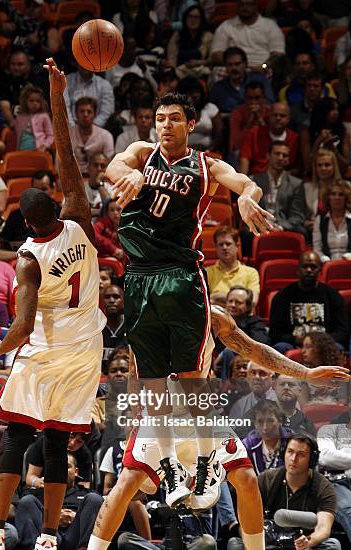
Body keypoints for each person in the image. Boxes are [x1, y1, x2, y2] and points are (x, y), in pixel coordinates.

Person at [71, 307, 349, 550]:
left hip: (201, 411)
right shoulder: (149, 312)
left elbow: (253, 349)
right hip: (159, 412)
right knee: (127, 481)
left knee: (245, 477)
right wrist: (130, 424)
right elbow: (134, 372)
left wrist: (303, 372)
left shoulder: (212, 315)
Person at [0, 57, 106, 550]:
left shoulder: (26, 259)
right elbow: (67, 153)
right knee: (54, 444)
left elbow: (21, 326)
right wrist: (57, 94)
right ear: (59, 209)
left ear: (25, 223)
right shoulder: (81, 223)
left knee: (18, 434)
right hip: (86, 349)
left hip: (45, 351)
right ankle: (47, 546)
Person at [104, 89, 275, 512]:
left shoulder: (206, 165)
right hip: (140, 277)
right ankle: (172, 470)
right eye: (160, 117)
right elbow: (113, 165)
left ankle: (205, 462)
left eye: (175, 118)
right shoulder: (142, 153)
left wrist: (248, 194)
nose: (165, 124)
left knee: (193, 380)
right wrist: (130, 175)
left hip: (181, 277)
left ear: (190, 123)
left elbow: (243, 180)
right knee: (154, 389)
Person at [228, 434, 342, 550]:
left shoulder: (323, 486)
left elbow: (324, 528)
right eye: (290, 452)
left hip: (300, 547)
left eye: (301, 455)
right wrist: (249, 544)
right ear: (284, 453)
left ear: (311, 459)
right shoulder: (268, 479)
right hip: (269, 545)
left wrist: (310, 542)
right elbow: (247, 518)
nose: (293, 459)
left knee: (333, 546)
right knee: (235, 545)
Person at [15, 453, 104, 550]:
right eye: (58, 466)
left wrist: (76, 516)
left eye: (67, 466)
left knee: (95, 499)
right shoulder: (36, 494)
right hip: (46, 541)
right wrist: (53, 518)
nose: (61, 470)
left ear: (76, 471)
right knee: (26, 502)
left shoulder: (87, 494)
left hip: (75, 541)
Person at [269, 250, 348, 352]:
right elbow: (275, 333)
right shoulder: (282, 296)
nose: (309, 270)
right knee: (280, 347)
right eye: (305, 266)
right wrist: (297, 339)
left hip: (323, 344)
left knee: (338, 349)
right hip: (292, 343)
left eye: (313, 267)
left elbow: (342, 332)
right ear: (298, 270)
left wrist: (320, 341)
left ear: (320, 271)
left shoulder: (333, 296)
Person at [318, 386, 351, 550]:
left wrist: (343, 457)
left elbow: (336, 457)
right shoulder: (329, 430)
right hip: (338, 485)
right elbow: (326, 457)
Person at [250, 141, 306, 237]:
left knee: (302, 232)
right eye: (277, 154)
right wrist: (262, 226)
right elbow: (250, 210)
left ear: (288, 159)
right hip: (260, 224)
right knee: (245, 234)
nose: (280, 158)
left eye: (284, 155)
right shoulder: (254, 180)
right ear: (268, 156)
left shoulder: (296, 184)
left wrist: (281, 227)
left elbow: (297, 215)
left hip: (284, 225)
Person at [210, 0, 285, 71]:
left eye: (248, 4)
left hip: (262, 68)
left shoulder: (270, 26)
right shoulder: (225, 26)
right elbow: (216, 54)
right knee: (217, 71)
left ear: (255, 5)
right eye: (241, 4)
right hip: (232, 69)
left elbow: (278, 55)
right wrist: (234, 66)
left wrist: (263, 66)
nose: (245, 7)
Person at [0, 170, 59, 252]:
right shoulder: (16, 215)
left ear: (53, 188)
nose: (40, 194)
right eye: (36, 190)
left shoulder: (62, 215)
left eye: (44, 189)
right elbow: (3, 244)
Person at [209, 46, 275, 114]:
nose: (234, 68)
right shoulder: (218, 88)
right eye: (230, 65)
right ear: (225, 66)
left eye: (237, 64)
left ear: (245, 65)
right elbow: (211, 110)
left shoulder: (260, 80)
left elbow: (271, 104)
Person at [205, 226, 260, 306]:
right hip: (215, 317)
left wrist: (216, 296)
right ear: (216, 248)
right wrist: (239, 300)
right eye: (220, 244)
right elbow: (204, 302)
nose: (224, 247)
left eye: (228, 244)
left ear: (237, 246)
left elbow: (253, 301)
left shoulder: (251, 272)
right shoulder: (206, 272)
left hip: (243, 318)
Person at [239, 102, 298, 174]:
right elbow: (244, 159)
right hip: (256, 178)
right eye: (274, 115)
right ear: (268, 116)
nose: (278, 118)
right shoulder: (254, 133)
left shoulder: (295, 138)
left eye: (282, 116)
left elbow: (296, 167)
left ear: (288, 119)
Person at [242, 399, 293, 475]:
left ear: (280, 421)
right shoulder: (247, 445)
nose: (265, 427)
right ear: (255, 423)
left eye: (270, 421)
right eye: (260, 421)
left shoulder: (293, 442)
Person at [312, 180, 351, 262]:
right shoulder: (320, 220)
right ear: (328, 197)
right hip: (327, 264)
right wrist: (325, 260)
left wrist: (349, 257)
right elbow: (317, 248)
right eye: (333, 194)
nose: (337, 198)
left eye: (341, 195)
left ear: (346, 198)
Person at [166, 4, 213, 80]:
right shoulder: (177, 35)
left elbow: (212, 60)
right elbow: (171, 57)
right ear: (185, 19)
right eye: (190, 16)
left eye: (196, 17)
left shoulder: (208, 36)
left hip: (198, 71)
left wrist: (198, 63)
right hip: (179, 71)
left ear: (201, 20)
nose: (193, 20)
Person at [68, 97, 114, 175]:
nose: (85, 115)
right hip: (73, 177)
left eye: (89, 112)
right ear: (75, 114)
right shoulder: (67, 135)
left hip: (98, 176)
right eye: (82, 111)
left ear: (95, 114)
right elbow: (61, 162)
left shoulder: (106, 136)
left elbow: (109, 164)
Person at [177, 77, 223, 152]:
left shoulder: (210, 108)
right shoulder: (175, 111)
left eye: (197, 92)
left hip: (207, 152)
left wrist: (210, 150)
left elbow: (219, 134)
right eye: (191, 92)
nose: (195, 95)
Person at [14, 84, 53, 152]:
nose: (35, 103)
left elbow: (50, 135)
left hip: (39, 150)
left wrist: (45, 146)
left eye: (38, 101)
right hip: (21, 150)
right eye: (31, 101)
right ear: (25, 101)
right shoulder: (20, 117)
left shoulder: (44, 116)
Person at [101, 285, 128, 372]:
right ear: (101, 302)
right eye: (107, 297)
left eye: (116, 297)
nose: (111, 300)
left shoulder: (132, 327)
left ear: (124, 301)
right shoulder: (94, 327)